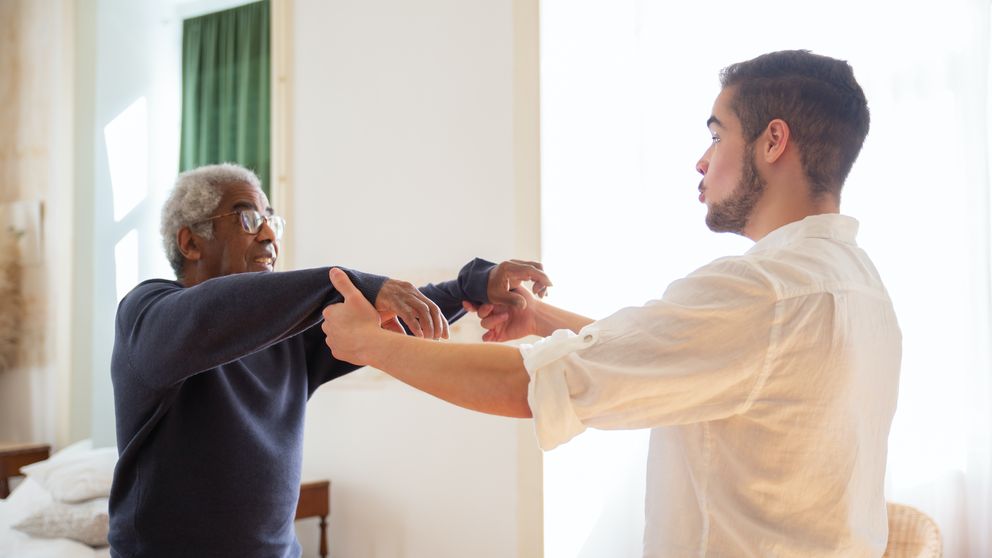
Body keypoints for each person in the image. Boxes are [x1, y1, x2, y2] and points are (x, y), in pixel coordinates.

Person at [322, 50, 901, 557]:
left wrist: (371, 344)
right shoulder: (858, 284)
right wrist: (539, 316)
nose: (702, 160)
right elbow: (681, 353)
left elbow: (532, 387)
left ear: (773, 141)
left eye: (717, 134)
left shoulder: (762, 292)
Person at [108, 163, 551, 557]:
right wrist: (349, 283)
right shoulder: (147, 314)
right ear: (190, 243)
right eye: (247, 218)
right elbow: (210, 314)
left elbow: (386, 320)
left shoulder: (286, 336)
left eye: (270, 220)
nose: (267, 234)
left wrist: (469, 287)